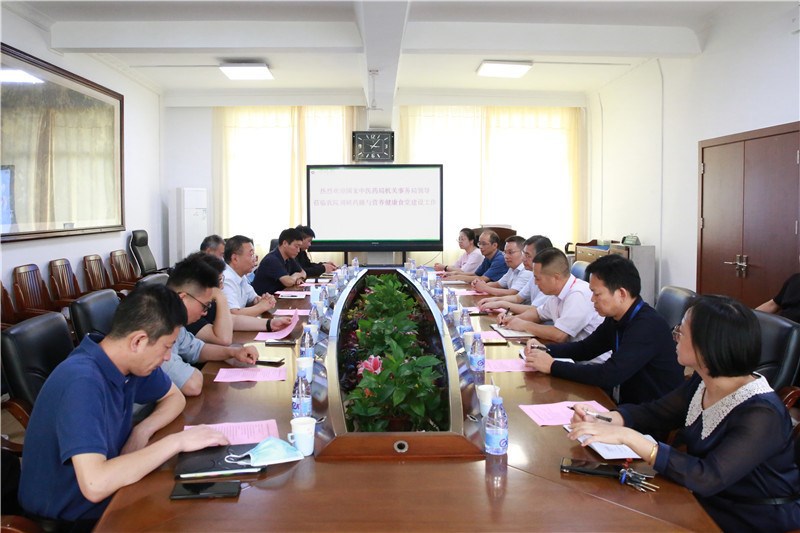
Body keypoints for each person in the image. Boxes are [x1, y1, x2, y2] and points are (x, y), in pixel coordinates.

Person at [568, 295, 800, 532]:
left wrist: (628, 437)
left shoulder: (762, 414)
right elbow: (656, 412)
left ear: (706, 346)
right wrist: (603, 418)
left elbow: (707, 477)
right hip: (703, 499)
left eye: (681, 331)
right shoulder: (704, 380)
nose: (675, 336)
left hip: (752, 518)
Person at [18, 285, 229, 527]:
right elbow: (95, 485)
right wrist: (177, 442)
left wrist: (142, 431)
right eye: (167, 346)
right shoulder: (82, 381)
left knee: (204, 500)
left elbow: (175, 397)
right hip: (73, 516)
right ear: (138, 341)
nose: (168, 357)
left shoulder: (127, 362)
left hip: (114, 487)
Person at [524, 254, 683, 404]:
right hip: (626, 404)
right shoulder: (616, 317)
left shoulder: (647, 326)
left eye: (597, 294)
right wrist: (545, 349)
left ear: (621, 294)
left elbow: (609, 374)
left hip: (650, 412)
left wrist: (552, 366)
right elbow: (586, 349)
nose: (592, 299)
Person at [161, 253, 260, 396]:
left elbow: (197, 349)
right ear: (183, 299)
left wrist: (234, 352)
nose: (204, 313)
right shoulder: (157, 327)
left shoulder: (174, 320)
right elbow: (192, 385)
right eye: (204, 306)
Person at [499, 247, 602, 342]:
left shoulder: (578, 294)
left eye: (538, 278)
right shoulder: (556, 294)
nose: (535, 283)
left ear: (555, 277)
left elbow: (559, 335)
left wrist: (524, 325)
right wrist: (513, 319)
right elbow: (538, 314)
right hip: (569, 351)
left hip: (588, 356)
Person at [221, 235, 291, 332]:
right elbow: (233, 314)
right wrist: (261, 306)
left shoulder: (241, 275)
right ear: (235, 259)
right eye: (251, 254)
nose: (255, 258)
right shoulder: (226, 279)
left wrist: (263, 300)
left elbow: (253, 298)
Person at [480, 235, 552, 311]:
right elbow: (517, 298)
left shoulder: (548, 280)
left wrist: (501, 304)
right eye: (524, 254)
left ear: (542, 256)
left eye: (528, 255)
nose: (523, 258)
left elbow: (535, 310)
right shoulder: (533, 275)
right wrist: (494, 300)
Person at [185, 253, 233, 345]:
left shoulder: (206, 302)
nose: (222, 287)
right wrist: (220, 296)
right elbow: (224, 340)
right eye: (219, 281)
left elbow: (231, 319)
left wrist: (264, 323)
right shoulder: (189, 310)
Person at [252, 227, 307, 295]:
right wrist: (296, 276)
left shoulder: (289, 257)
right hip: (262, 299)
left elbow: (303, 273)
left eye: (299, 247)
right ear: (285, 243)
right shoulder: (272, 260)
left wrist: (298, 278)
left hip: (276, 297)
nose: (298, 250)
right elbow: (288, 282)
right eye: (296, 246)